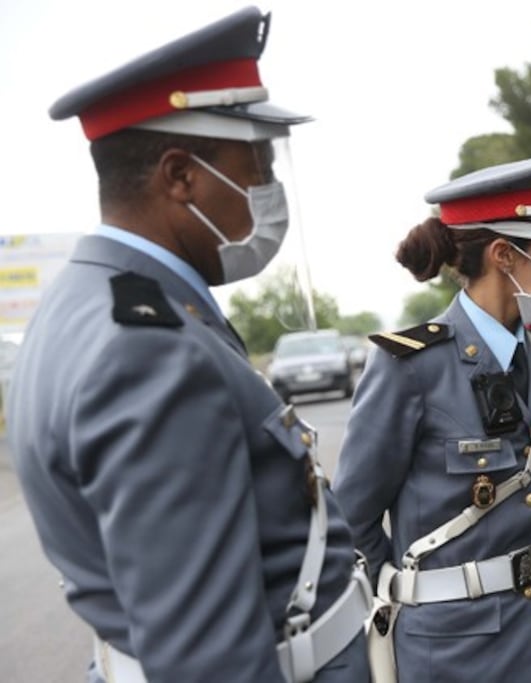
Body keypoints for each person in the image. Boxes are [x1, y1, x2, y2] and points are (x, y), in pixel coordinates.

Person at [8, 7, 372, 682]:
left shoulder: (85, 304)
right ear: (181, 176)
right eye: (256, 162)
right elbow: (213, 663)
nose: (268, 188)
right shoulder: (147, 352)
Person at [333, 149, 531, 682]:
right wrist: (419, 592)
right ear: (504, 254)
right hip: (455, 651)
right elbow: (352, 516)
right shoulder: (410, 365)